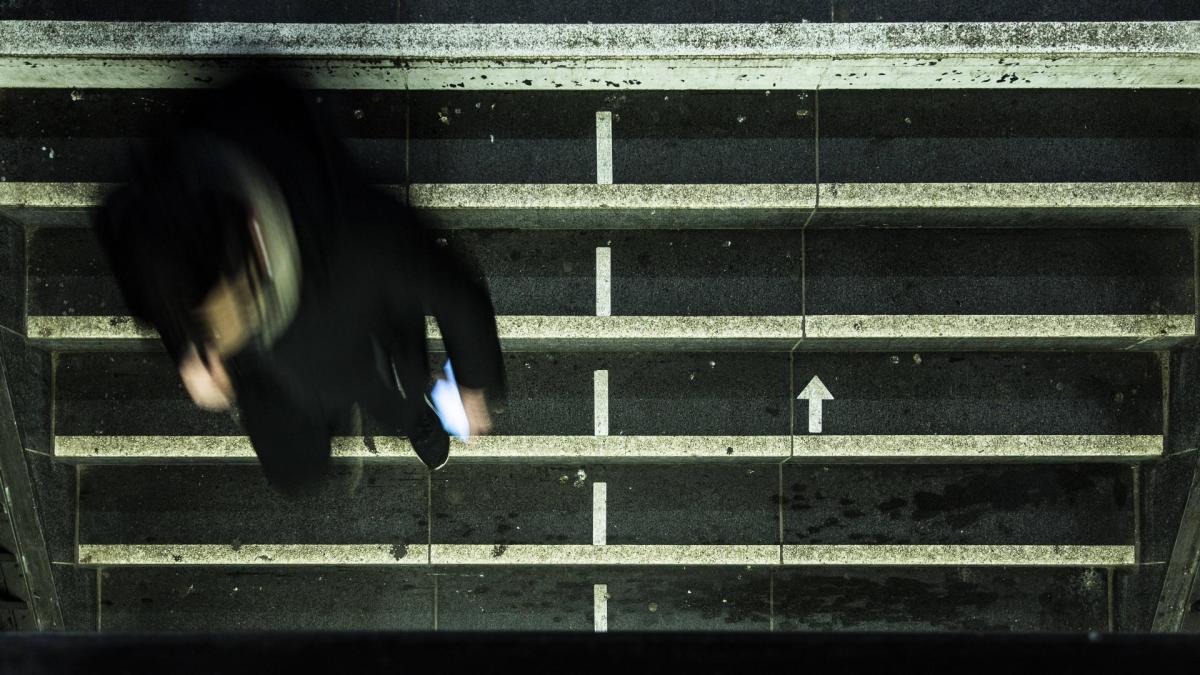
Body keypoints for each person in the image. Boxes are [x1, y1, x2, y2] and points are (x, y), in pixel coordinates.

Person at [94, 73, 504, 498]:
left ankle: (409, 411)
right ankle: (383, 404)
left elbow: (454, 290)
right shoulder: (169, 235)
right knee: (300, 459)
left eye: (216, 321)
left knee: (390, 375)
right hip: (290, 339)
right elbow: (123, 222)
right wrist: (186, 346)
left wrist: (472, 385)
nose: (217, 337)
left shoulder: (362, 241)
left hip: (341, 295)